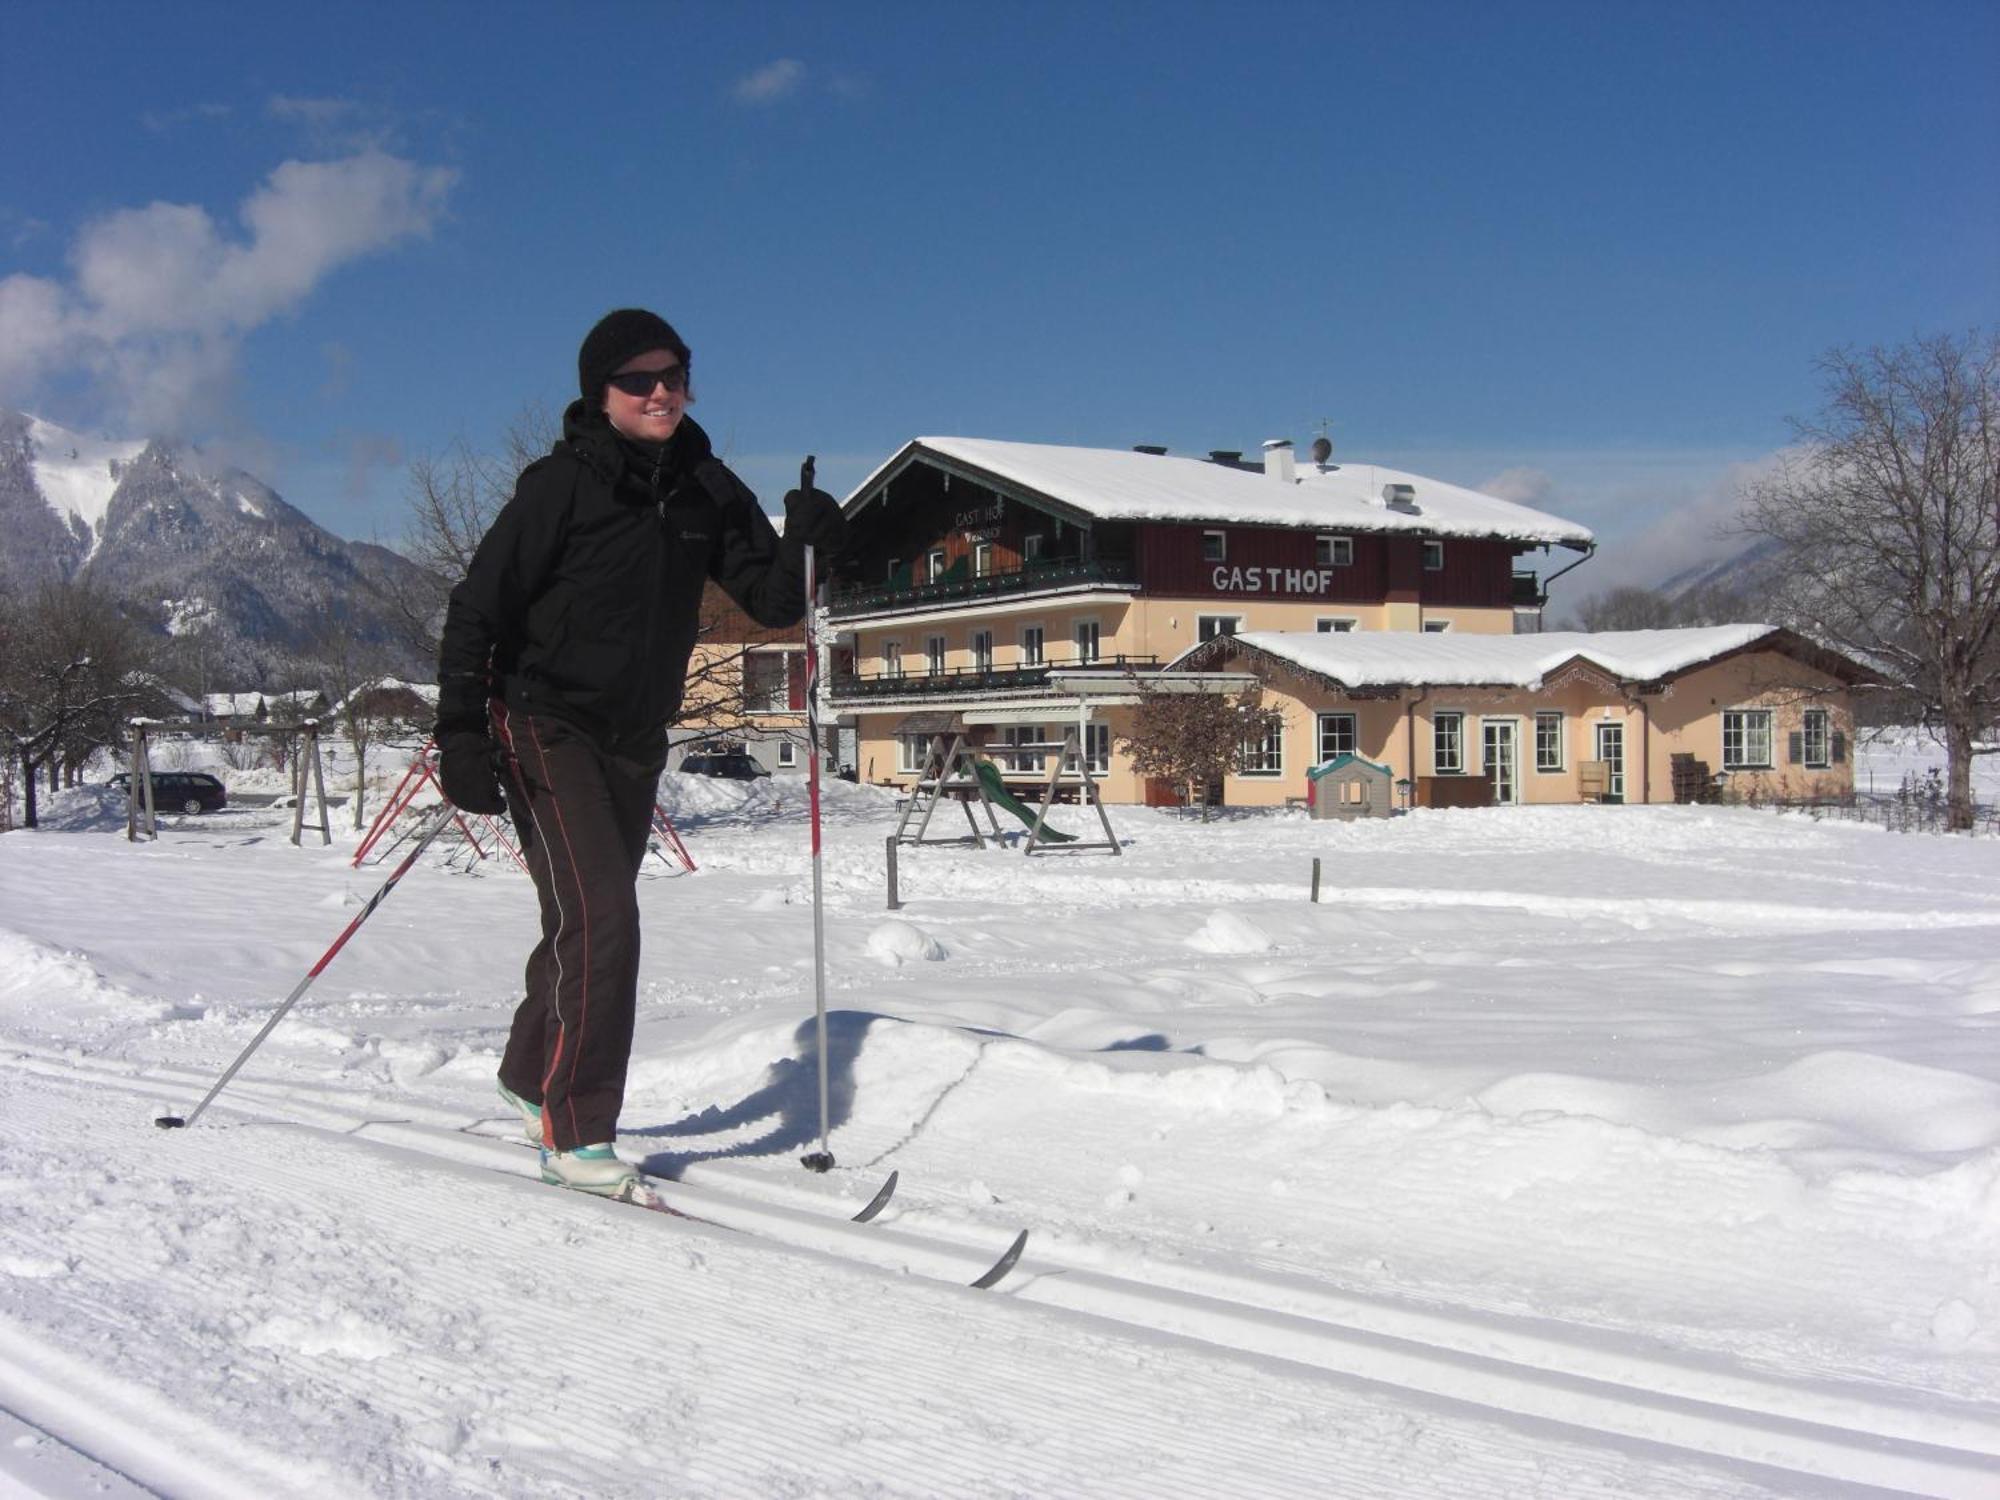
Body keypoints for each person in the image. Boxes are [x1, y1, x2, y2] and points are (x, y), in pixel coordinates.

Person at [433, 308, 845, 1196]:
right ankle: (576, 1131)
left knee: (582, 918)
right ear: (602, 393)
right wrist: (460, 734)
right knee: (607, 919)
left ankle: (522, 1072)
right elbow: (477, 609)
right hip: (543, 720)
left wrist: (809, 537)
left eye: (673, 375)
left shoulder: (705, 483)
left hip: (633, 733)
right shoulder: (560, 487)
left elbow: (771, 600)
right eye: (638, 380)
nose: (660, 392)